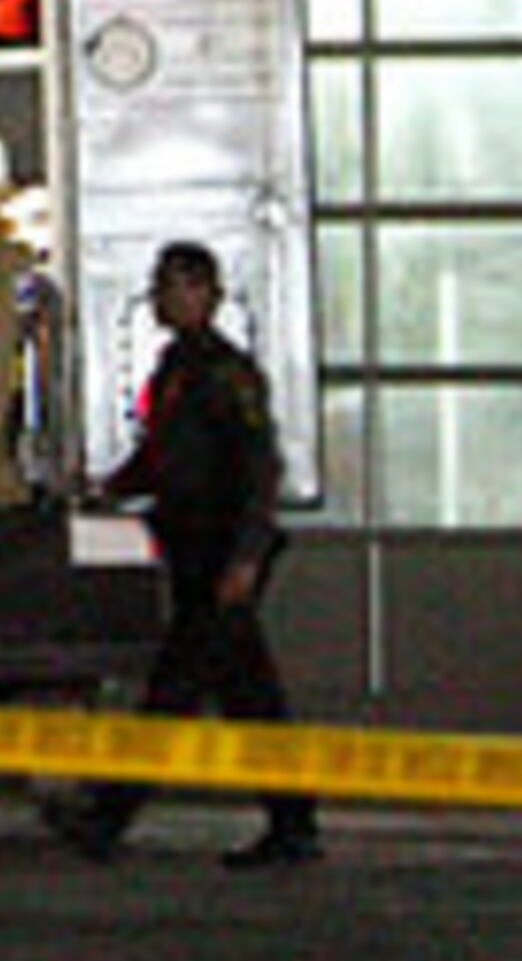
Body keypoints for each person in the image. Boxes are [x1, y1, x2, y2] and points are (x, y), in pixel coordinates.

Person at [49, 240, 322, 869]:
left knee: (174, 690)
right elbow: (162, 458)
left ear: (205, 293)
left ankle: (108, 816)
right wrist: (108, 488)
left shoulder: (227, 375)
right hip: (194, 551)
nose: (161, 298)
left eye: (173, 286)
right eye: (159, 286)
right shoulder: (175, 368)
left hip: (221, 555)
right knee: (250, 697)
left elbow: (259, 471)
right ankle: (294, 821)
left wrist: (246, 559)